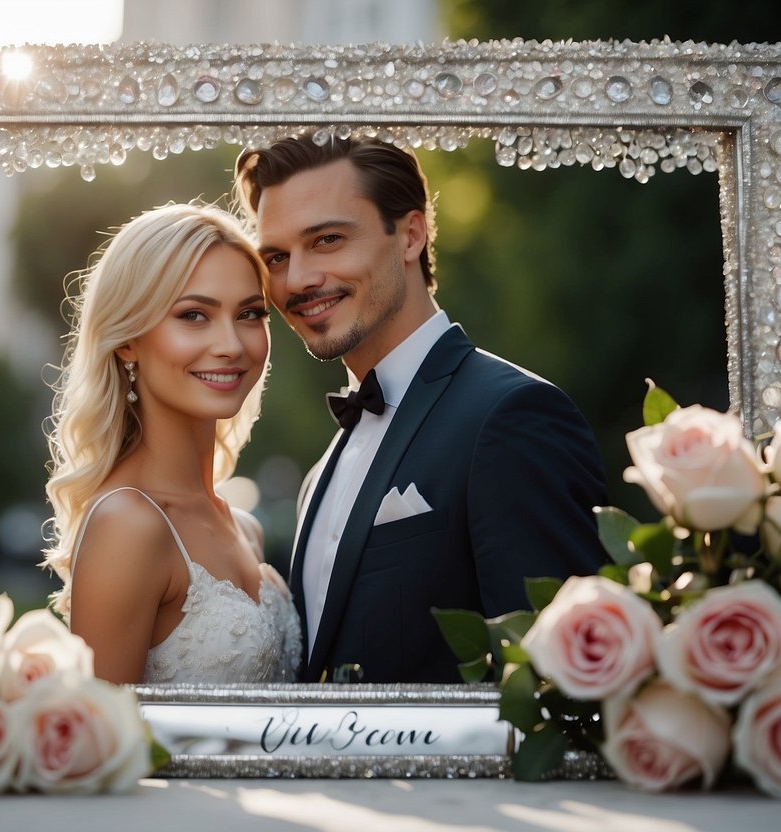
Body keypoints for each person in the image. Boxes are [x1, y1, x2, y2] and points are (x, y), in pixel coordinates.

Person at [234, 134, 610, 684]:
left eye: (328, 239)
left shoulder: (512, 417)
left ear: (411, 234)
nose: (298, 280)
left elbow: (566, 686)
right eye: (276, 257)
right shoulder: (322, 471)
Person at [41, 202, 300, 685]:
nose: (231, 344)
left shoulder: (243, 527)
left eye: (249, 314)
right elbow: (103, 750)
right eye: (194, 315)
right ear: (127, 340)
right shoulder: (129, 524)